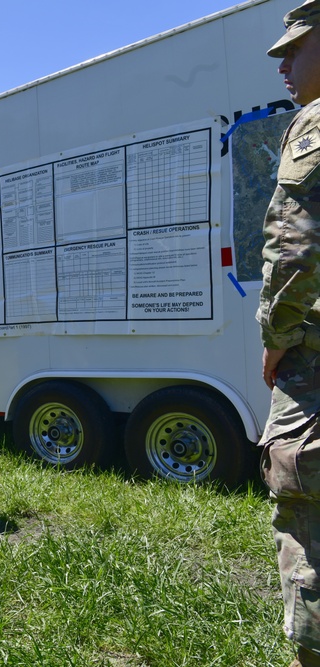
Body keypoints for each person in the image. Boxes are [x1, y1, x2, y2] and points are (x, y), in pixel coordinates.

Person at [258, 3, 320, 666]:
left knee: (305, 517)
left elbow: (296, 249)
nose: (283, 63)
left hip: (313, 364)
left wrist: (277, 334)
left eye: (296, 47)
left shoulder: (315, 124)